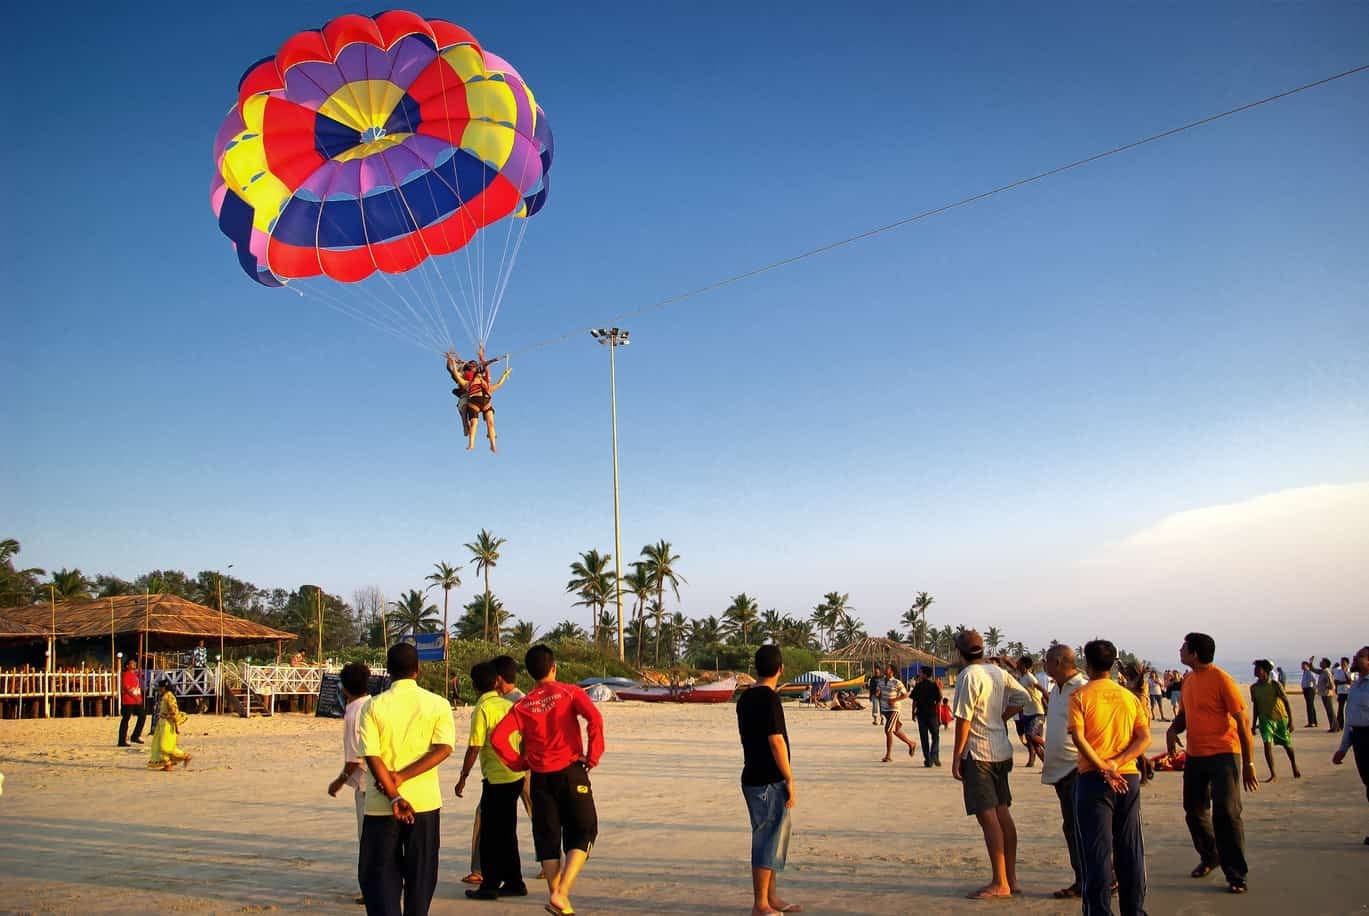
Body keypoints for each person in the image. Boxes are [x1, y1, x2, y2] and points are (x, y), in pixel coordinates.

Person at [490, 645, 604, 916]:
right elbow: (594, 718)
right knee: (585, 830)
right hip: (570, 771)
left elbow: (498, 739)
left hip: (540, 777)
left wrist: (519, 763)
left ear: (530, 674)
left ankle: (558, 901)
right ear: (554, 667)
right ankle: (561, 892)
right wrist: (593, 754)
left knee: (548, 838)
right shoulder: (569, 692)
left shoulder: (523, 704)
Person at [357, 642, 456, 916]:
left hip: (381, 804)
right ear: (418, 670)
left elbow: (372, 756)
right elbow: (444, 748)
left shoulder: (373, 706)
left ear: (388, 670)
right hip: (424, 803)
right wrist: (403, 777)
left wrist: (394, 792)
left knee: (379, 874)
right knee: (421, 873)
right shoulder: (438, 704)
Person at [1165, 632, 1257, 895]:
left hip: (1224, 754)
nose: (1180, 650)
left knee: (1226, 813)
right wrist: (1173, 730)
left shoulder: (1221, 679)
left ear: (1194, 653)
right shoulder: (1188, 680)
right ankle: (1210, 855)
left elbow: (1242, 722)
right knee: (1193, 809)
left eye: (1183, 647)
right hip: (1196, 754)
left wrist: (1249, 763)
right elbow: (1186, 714)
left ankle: (1236, 873)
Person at [1069, 639, 1151, 916]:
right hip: (1127, 777)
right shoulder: (1128, 696)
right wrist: (1117, 762)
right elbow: (1143, 738)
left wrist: (1105, 766)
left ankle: (1099, 911)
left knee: (1096, 852)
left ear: (1087, 664)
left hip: (1094, 778)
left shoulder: (1080, 695)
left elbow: (1079, 738)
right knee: (1130, 849)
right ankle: (1134, 910)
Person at [950, 629, 1029, 900]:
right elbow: (1023, 698)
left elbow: (964, 719)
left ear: (959, 652)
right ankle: (1011, 877)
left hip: (978, 752)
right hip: (1000, 749)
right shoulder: (997, 671)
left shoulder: (967, 676)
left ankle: (1000, 882)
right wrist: (1001, 717)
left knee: (988, 817)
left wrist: (957, 756)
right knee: (1002, 812)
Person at [454, 662, 529, 901]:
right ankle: (515, 881)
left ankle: (489, 884)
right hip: (515, 774)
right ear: (496, 682)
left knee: (490, 834)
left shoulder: (483, 708)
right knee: (506, 832)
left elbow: (474, 747)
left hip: (497, 779)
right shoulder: (507, 705)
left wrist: (462, 777)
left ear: (475, 686)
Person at [737, 644, 800, 916]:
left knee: (772, 838)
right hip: (767, 779)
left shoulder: (745, 698)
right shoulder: (769, 699)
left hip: (751, 773)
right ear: (780, 668)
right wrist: (789, 778)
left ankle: (770, 897)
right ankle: (760, 903)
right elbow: (776, 741)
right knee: (766, 837)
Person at [1040, 644, 1089, 900]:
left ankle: (1092, 879)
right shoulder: (1056, 689)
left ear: (1058, 662)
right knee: (1072, 827)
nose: (1043, 664)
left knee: (1080, 828)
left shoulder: (1082, 688)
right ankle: (1088, 877)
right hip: (1059, 771)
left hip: (1076, 768)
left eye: (1046, 660)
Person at [328, 662, 372, 906]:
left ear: (344, 688)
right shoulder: (374, 704)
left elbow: (355, 757)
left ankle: (370, 889)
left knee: (367, 839)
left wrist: (340, 780)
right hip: (385, 781)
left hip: (366, 783)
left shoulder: (354, 711)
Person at [1330, 645, 1369, 846]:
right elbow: (1350, 720)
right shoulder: (1357, 685)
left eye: (1360, 657)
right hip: (1359, 739)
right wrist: (1343, 748)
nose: (1355, 659)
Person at [446, 348, 511, 453]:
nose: (480, 377)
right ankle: (471, 443)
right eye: (479, 376)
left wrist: (505, 374)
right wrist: (452, 361)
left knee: (490, 423)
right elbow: (456, 374)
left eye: (481, 376)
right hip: (472, 403)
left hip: (485, 404)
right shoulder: (468, 384)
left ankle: (493, 445)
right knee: (473, 423)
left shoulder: (486, 386)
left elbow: (498, 383)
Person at [1249, 659, 1300, 781]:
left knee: (1287, 745)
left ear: (1265, 671)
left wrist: (1291, 721)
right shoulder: (1254, 688)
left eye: (1258, 669)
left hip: (1280, 718)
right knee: (1267, 745)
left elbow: (1286, 702)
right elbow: (1256, 706)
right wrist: (1253, 724)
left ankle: (1294, 765)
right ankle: (1273, 774)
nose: (1255, 671)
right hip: (1265, 720)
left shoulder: (1275, 685)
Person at [147, 679, 191, 771]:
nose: (159, 689)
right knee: (158, 745)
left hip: (168, 724)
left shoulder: (170, 697)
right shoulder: (164, 696)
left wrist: (176, 725)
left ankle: (185, 756)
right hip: (162, 724)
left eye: (160, 688)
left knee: (165, 746)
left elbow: (174, 712)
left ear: (164, 688)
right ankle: (167, 764)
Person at [878, 663, 918, 762]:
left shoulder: (897, 682)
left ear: (892, 671)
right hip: (885, 709)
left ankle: (888, 755)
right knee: (895, 730)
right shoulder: (881, 681)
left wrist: (894, 700)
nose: (885, 669)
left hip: (894, 709)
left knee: (888, 730)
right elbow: (878, 692)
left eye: (887, 668)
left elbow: (905, 695)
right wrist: (877, 694)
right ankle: (911, 743)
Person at [1015, 656, 1046, 768]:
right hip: (1028, 712)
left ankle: (1048, 748)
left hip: (1037, 711)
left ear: (1023, 665)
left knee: (1031, 735)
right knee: (1033, 743)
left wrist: (1049, 699)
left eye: (1018, 662)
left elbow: (1041, 689)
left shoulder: (1029, 677)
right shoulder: (1022, 677)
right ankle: (1047, 765)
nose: (1016, 664)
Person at [911, 667, 943, 768]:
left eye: (921, 673)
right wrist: (940, 716)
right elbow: (938, 701)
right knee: (935, 736)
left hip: (921, 715)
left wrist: (913, 713)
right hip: (932, 714)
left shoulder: (918, 686)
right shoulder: (934, 686)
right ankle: (934, 756)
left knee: (924, 738)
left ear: (925, 674)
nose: (919, 674)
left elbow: (914, 701)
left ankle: (929, 759)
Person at [117, 658, 147, 747]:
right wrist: (134, 697)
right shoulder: (126, 674)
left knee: (142, 715)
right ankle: (121, 740)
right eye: (132, 663)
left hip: (136, 699)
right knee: (126, 719)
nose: (134, 664)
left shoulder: (135, 674)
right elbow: (126, 687)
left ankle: (135, 735)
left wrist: (139, 698)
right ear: (127, 666)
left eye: (134, 663)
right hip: (129, 700)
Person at [1317, 658, 1338, 732]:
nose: (1320, 663)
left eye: (1322, 662)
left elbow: (1331, 683)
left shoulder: (1326, 672)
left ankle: (1334, 727)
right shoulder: (1323, 671)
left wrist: (1328, 687)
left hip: (1327, 694)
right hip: (1324, 693)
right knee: (1329, 710)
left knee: (1330, 710)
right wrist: (1310, 663)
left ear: (1325, 664)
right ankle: (1335, 726)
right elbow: (1314, 670)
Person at [1300, 660, 1319, 728]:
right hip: (1306, 689)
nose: (1301, 666)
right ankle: (1313, 721)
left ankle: (1312, 722)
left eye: (1303, 665)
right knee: (1310, 705)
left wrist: (1314, 687)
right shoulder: (1305, 672)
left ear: (1306, 665)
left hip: (1309, 689)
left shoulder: (1309, 671)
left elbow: (1314, 679)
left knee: (1310, 706)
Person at [1335, 657, 1353, 731]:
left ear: (1347, 664)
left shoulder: (1350, 671)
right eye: (1341, 663)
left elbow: (1350, 682)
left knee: (1349, 709)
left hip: (1349, 692)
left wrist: (1345, 673)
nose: (1342, 664)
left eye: (1344, 663)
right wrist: (1344, 682)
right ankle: (1340, 725)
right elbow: (1336, 681)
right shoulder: (1338, 671)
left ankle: (1350, 725)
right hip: (1341, 692)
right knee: (1340, 709)